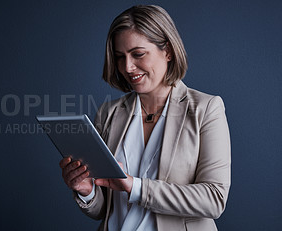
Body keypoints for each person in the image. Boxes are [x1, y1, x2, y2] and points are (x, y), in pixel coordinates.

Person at [59, 5, 230, 231]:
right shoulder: (108, 113)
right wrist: (87, 190)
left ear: (167, 51)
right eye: (120, 57)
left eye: (138, 54)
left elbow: (214, 199)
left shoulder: (206, 109)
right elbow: (105, 209)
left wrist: (136, 187)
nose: (127, 67)